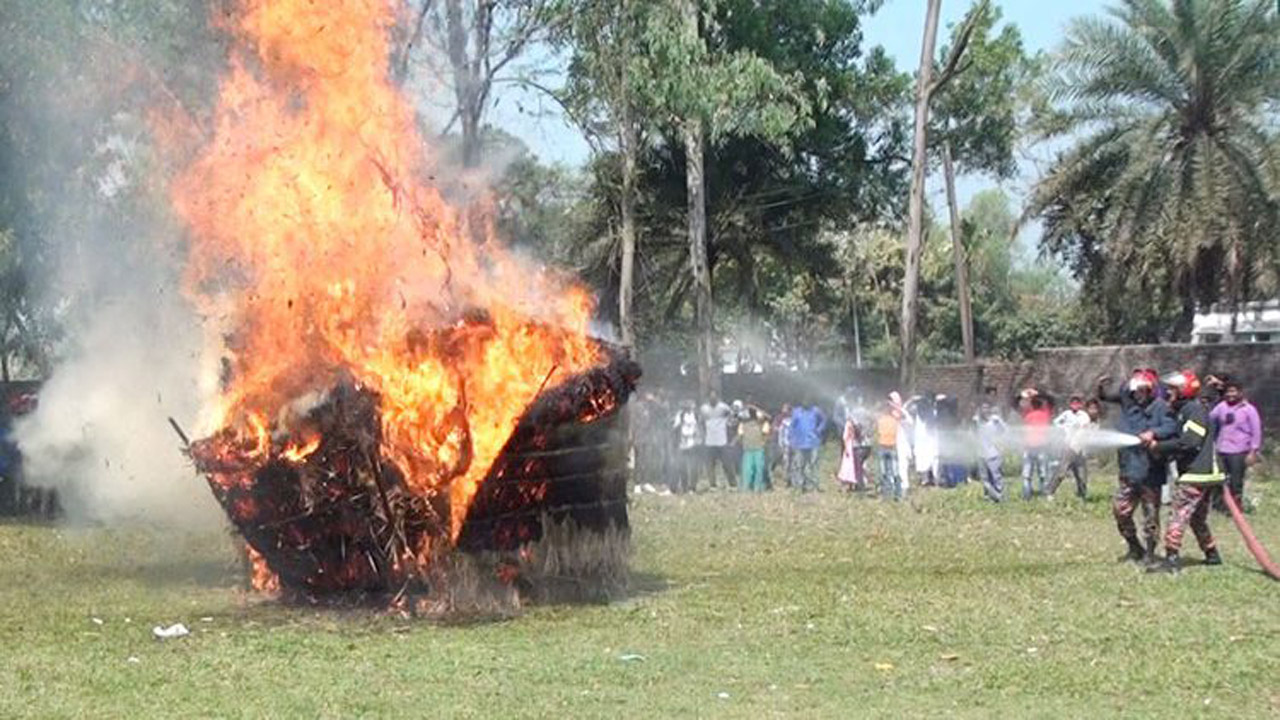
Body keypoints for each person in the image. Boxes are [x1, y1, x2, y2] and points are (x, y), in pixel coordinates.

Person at [1147, 371, 1224, 573]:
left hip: (1196, 474)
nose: (1167, 392)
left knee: (1178, 515)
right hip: (1203, 474)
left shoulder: (1194, 410)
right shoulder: (1185, 410)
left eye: (1172, 389)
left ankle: (1171, 559)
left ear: (1183, 390)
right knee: (1197, 518)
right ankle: (1212, 554)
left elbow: (1189, 443)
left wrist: (1159, 447)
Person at [1099, 370, 1177, 563]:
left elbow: (1171, 427)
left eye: (1143, 391)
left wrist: (1153, 432)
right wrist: (1101, 386)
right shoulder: (1129, 405)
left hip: (1150, 473)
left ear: (1151, 391)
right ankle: (1135, 547)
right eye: (1136, 392)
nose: (1139, 395)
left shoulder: (1161, 407)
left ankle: (1150, 554)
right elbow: (1107, 396)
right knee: (1120, 511)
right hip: (1128, 471)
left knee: (1150, 517)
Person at [1209, 379, 1262, 512]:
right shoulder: (1221, 406)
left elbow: (1256, 431)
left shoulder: (1249, 409)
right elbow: (1210, 417)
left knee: (1236, 482)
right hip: (1222, 449)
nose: (1230, 395)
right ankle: (1219, 507)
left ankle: (1235, 510)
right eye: (1228, 392)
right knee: (1219, 480)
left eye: (1233, 391)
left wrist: (1253, 451)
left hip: (1239, 451)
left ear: (1240, 392)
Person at [1047, 395, 1094, 500]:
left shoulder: (1084, 416)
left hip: (1080, 448)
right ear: (1070, 404)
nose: (1075, 405)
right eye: (1073, 403)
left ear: (1081, 405)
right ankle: (1050, 492)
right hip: (1069, 447)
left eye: (1077, 403)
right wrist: (1064, 428)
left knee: (1081, 475)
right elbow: (1055, 422)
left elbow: (1084, 427)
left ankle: (1082, 495)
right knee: (1061, 472)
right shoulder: (1066, 414)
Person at [1018, 390, 1053, 499]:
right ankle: (1044, 494)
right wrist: (1037, 393)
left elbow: (1014, 403)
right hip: (1036, 447)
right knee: (1042, 473)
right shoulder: (1045, 413)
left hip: (1032, 447)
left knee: (1027, 474)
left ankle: (1027, 495)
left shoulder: (1027, 414)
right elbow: (1051, 400)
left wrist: (1025, 394)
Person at [788, 400, 827, 492]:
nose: (806, 403)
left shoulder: (816, 410)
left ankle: (814, 485)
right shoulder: (796, 412)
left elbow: (824, 419)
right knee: (799, 465)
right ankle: (800, 485)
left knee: (813, 464)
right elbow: (792, 426)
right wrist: (792, 439)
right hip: (800, 443)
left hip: (813, 442)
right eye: (804, 402)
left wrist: (819, 430)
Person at [700, 391, 736, 489]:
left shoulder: (724, 407)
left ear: (718, 398)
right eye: (711, 397)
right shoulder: (704, 409)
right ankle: (713, 485)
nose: (713, 398)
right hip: (709, 441)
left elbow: (732, 417)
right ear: (708, 398)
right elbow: (701, 422)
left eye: (714, 396)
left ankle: (733, 485)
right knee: (710, 465)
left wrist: (729, 425)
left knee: (727, 463)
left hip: (722, 441)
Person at [975, 402, 1008, 502]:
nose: (985, 410)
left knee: (996, 477)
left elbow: (1005, 430)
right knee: (985, 479)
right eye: (983, 408)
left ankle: (1000, 496)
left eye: (987, 408)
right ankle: (989, 496)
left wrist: (999, 423)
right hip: (981, 454)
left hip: (993, 453)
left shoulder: (995, 421)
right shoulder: (976, 421)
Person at [874, 401, 903, 500]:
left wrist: (893, 405)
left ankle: (895, 494)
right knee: (887, 472)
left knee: (890, 472)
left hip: (888, 447)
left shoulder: (891, 420)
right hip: (886, 447)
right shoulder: (888, 420)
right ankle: (889, 494)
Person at [673, 400, 702, 494]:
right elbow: (675, 427)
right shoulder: (680, 415)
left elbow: (700, 427)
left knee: (693, 467)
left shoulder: (696, 415)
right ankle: (685, 486)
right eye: (688, 405)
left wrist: (699, 438)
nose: (690, 407)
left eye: (691, 405)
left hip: (693, 443)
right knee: (682, 466)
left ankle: (692, 487)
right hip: (682, 444)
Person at [738, 407, 769, 492]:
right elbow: (740, 436)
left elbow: (765, 434)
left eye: (753, 413)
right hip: (748, 449)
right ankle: (746, 488)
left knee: (758, 469)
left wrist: (755, 408)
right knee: (747, 470)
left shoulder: (761, 424)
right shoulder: (744, 424)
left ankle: (757, 488)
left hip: (758, 449)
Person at [837, 414, 867, 493]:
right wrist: (846, 449)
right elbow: (845, 438)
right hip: (849, 446)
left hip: (853, 446)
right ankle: (846, 484)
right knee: (847, 466)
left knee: (852, 466)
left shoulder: (854, 425)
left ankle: (852, 484)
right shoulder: (848, 425)